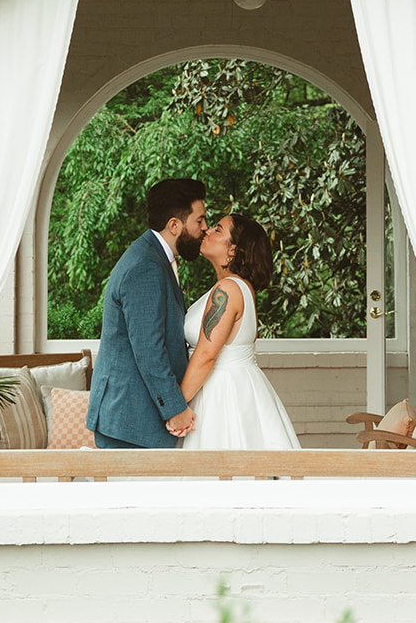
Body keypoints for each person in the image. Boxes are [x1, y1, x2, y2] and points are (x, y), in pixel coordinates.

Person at [86, 177, 208, 449]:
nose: (205, 228)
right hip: (130, 421)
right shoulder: (146, 266)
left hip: (136, 418)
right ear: (174, 225)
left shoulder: (155, 258)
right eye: (199, 221)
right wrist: (175, 410)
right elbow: (149, 350)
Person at [179, 212, 300, 450]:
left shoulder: (228, 289)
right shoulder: (237, 288)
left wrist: (175, 407)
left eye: (218, 229)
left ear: (233, 250)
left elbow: (206, 355)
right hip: (230, 386)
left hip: (223, 394)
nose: (207, 231)